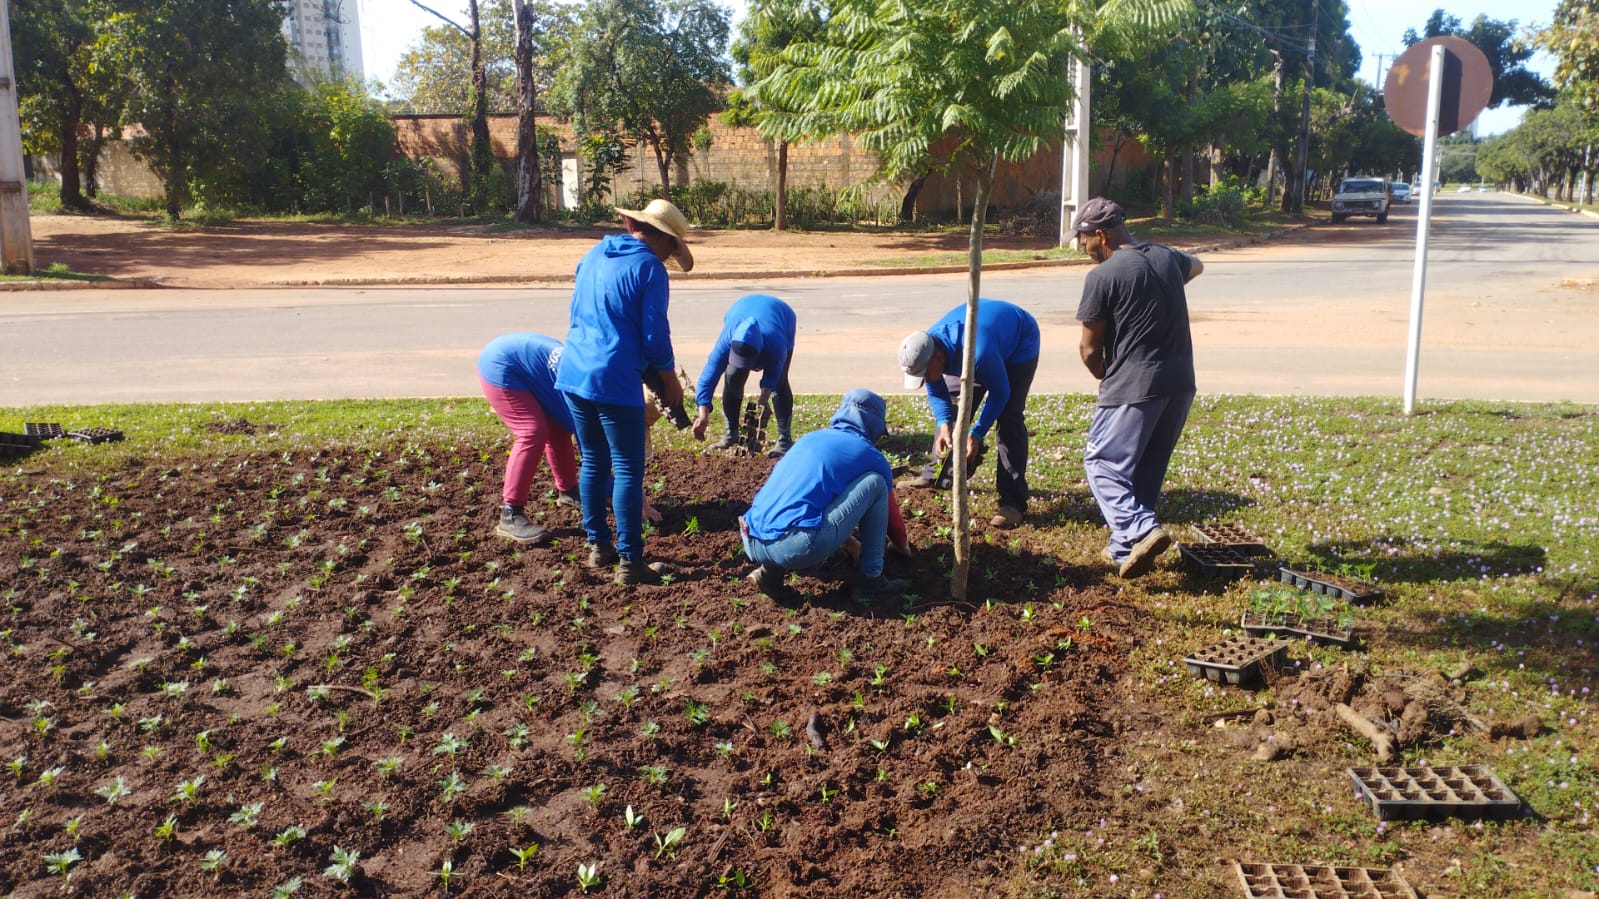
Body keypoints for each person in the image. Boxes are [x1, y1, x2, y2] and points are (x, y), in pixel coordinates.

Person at [558, 198, 691, 587]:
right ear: (663, 240)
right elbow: (654, 337)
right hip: (613, 377)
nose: (669, 259)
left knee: (594, 461)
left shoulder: (594, 254)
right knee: (629, 468)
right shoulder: (650, 267)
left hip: (574, 371)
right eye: (672, 250)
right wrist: (669, 383)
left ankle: (599, 547)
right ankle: (631, 561)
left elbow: (578, 313)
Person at [1071, 196, 1204, 578]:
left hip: (1133, 385)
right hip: (1180, 383)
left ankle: (1142, 529)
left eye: (1085, 240)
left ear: (1101, 235)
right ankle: (1122, 548)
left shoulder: (1102, 276)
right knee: (1144, 470)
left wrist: (1102, 372)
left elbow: (1089, 346)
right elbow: (1197, 264)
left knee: (1101, 464)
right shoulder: (1166, 257)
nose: (1084, 249)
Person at [741, 389, 912, 603]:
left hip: (751, 539)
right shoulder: (870, 455)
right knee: (875, 483)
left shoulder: (810, 438)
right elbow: (894, 523)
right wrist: (902, 545)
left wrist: (850, 542)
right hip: (796, 547)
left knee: (796, 507)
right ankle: (872, 582)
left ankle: (769, 575)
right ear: (874, 427)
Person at [897, 298, 1040, 529]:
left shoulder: (978, 353)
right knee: (953, 409)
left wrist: (977, 433)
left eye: (924, 374)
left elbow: (1000, 393)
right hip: (981, 342)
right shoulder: (929, 347)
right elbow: (937, 391)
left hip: (1018, 341)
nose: (923, 381)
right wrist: (944, 424)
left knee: (1009, 418)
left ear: (939, 358)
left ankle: (1013, 502)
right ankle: (936, 474)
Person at [477, 333, 579, 546]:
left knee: (559, 429)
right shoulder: (584, 401)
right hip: (501, 364)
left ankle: (569, 491)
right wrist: (632, 499)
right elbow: (596, 459)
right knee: (532, 431)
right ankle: (510, 514)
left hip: (531, 367)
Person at [692, 293, 797, 457]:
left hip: (782, 316)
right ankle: (731, 432)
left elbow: (774, 375)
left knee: (780, 383)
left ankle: (785, 439)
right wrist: (703, 414)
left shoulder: (776, 344)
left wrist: (764, 397)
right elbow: (707, 378)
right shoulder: (726, 340)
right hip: (739, 310)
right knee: (733, 376)